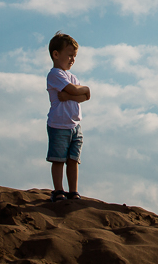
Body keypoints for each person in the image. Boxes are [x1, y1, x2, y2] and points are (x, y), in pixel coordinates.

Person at [45, 32, 90, 202]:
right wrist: (80, 91)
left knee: (73, 159)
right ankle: (58, 190)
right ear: (56, 54)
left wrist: (79, 92)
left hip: (75, 126)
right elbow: (75, 91)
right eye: (69, 55)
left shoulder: (73, 77)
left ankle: (73, 191)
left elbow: (84, 96)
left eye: (74, 56)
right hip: (59, 124)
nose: (72, 59)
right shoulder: (55, 74)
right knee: (58, 159)